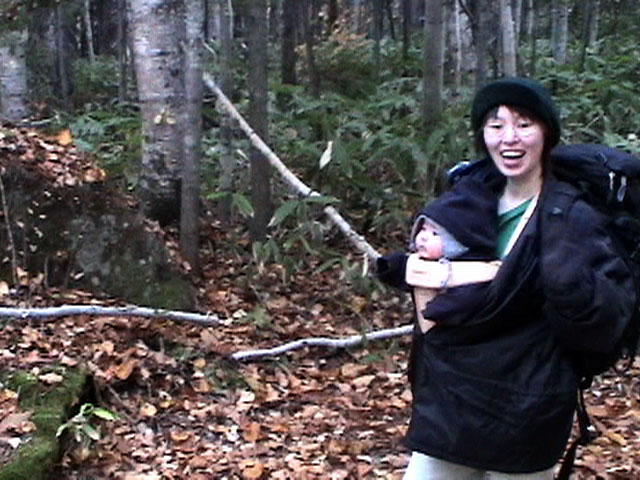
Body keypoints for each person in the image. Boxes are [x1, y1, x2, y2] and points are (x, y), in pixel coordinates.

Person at [376, 77, 637, 479]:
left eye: (524, 124)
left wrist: (564, 289)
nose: (509, 138)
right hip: (451, 403)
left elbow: (599, 321)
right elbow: (424, 296)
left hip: (527, 410)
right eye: (495, 125)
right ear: (482, 135)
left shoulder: (572, 215)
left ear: (546, 133)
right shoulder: (466, 199)